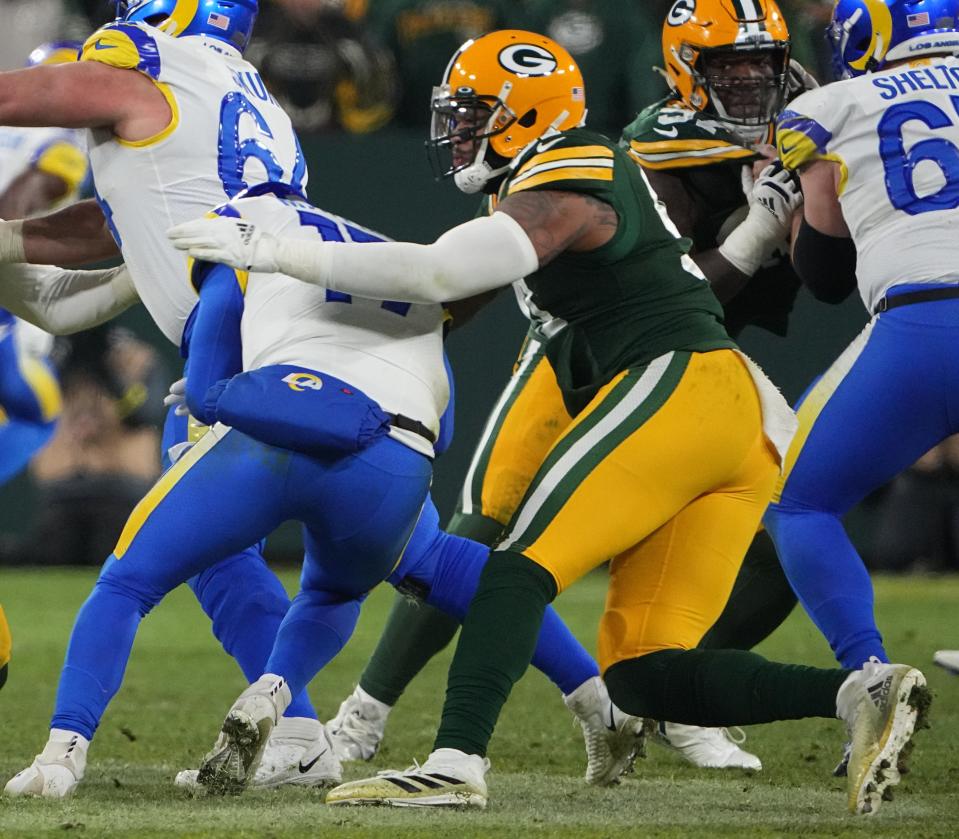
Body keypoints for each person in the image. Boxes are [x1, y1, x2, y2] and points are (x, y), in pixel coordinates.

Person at [169, 29, 930, 816]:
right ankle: (860, 693)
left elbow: (436, 269)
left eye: (472, 114)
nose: (457, 132)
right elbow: (433, 307)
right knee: (641, 671)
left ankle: (454, 760)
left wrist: (282, 250)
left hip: (679, 379)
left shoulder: (573, 165)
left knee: (511, 568)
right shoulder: (538, 188)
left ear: (525, 114)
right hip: (734, 419)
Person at [325, 0, 811, 772]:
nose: (749, 81)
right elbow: (455, 294)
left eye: (760, 63)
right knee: (481, 530)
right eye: (727, 65)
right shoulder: (630, 150)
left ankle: (668, 698)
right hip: (576, 356)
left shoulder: (784, 133)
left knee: (792, 515)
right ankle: (367, 710)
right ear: (683, 70)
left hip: (681, 357)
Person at [0, 0, 338, 795]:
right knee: (232, 555)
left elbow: (45, 95)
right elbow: (122, 221)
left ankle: (64, 750)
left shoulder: (157, 55)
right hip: (279, 328)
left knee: (139, 562)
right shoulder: (241, 88)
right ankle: (300, 732)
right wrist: (10, 238)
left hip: (242, 338)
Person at [763, 0, 959, 690]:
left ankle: (870, 677)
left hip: (923, 319)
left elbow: (821, 273)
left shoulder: (836, 105)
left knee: (797, 502)